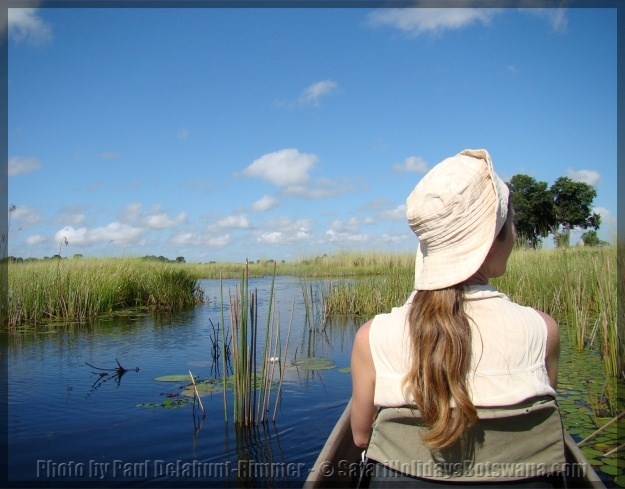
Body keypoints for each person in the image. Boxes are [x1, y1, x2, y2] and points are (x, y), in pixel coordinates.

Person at [350, 149, 563, 487]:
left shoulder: (371, 338)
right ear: (496, 239)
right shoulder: (543, 331)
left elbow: (361, 438)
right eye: (512, 224)